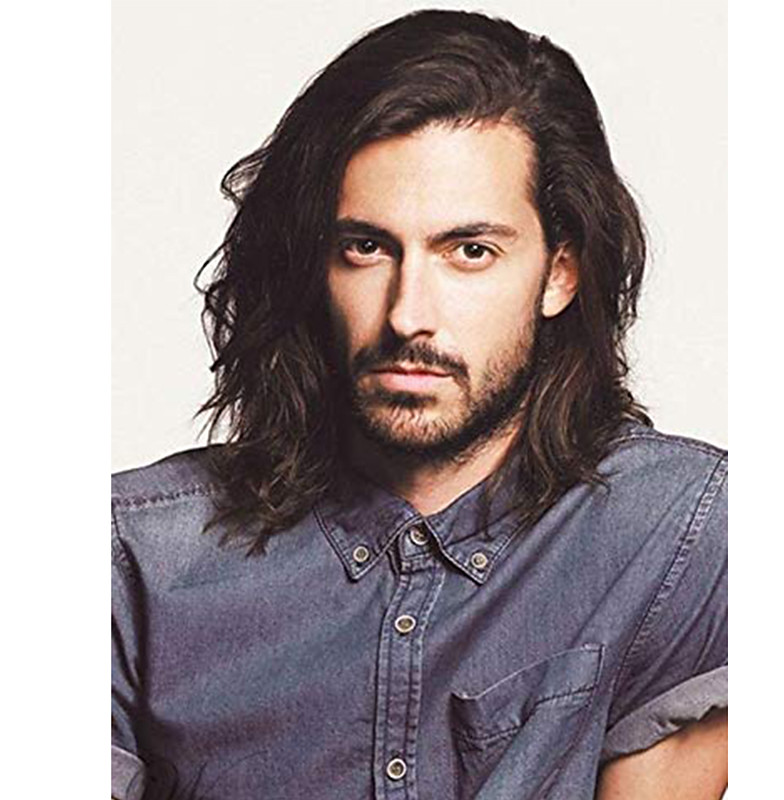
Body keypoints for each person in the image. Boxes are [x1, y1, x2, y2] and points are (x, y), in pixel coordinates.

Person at [111, 9, 727, 800]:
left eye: (470, 251)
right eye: (366, 248)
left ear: (559, 273)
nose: (407, 315)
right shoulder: (132, 559)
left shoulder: (676, 533)